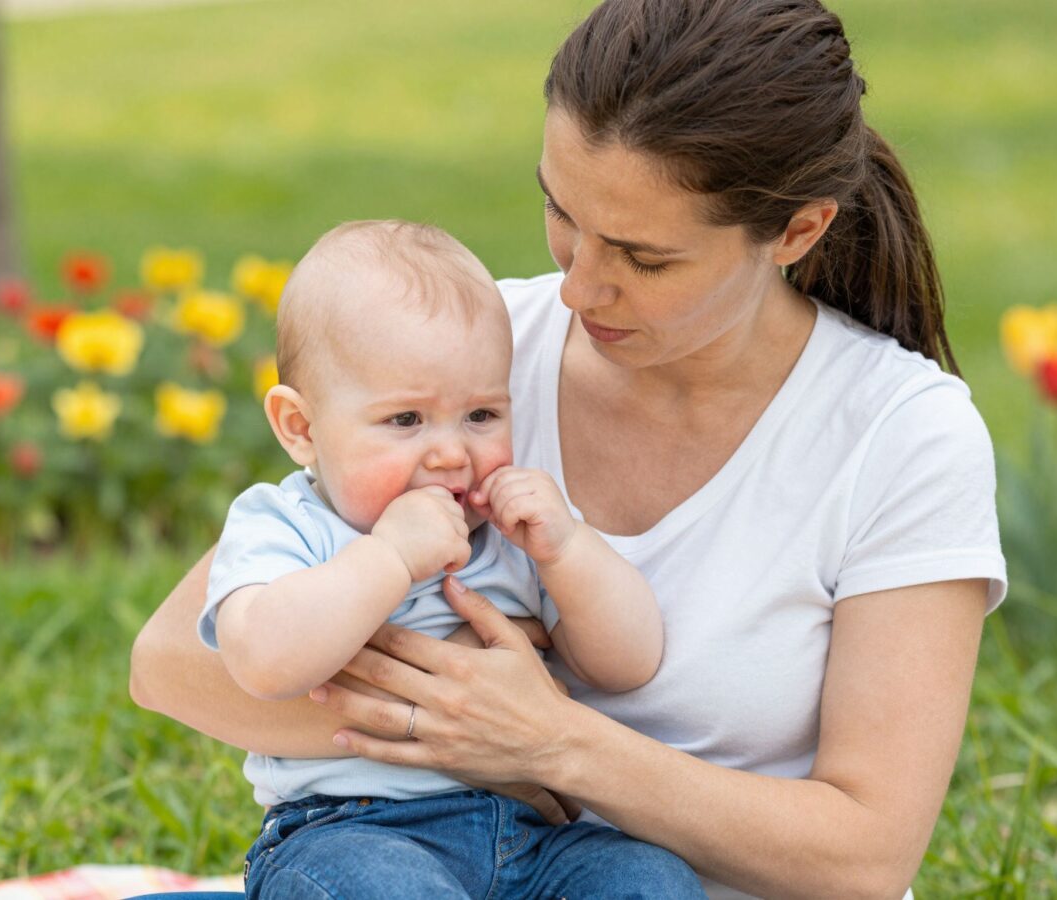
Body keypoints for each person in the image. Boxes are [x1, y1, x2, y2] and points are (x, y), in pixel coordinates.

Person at [130, 1, 1007, 897]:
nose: (580, 287)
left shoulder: (900, 435)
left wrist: (553, 742)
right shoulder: (466, 364)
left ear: (797, 231)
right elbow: (168, 666)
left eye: (644, 258)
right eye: (562, 212)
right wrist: (453, 724)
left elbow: (865, 855)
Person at [197, 219, 702, 898]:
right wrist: (390, 557)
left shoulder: (512, 530)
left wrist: (569, 550)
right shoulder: (287, 524)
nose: (450, 453)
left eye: (481, 416)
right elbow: (263, 660)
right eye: (405, 421)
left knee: (646, 877)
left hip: (535, 834)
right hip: (355, 832)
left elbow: (628, 660)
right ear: (301, 427)